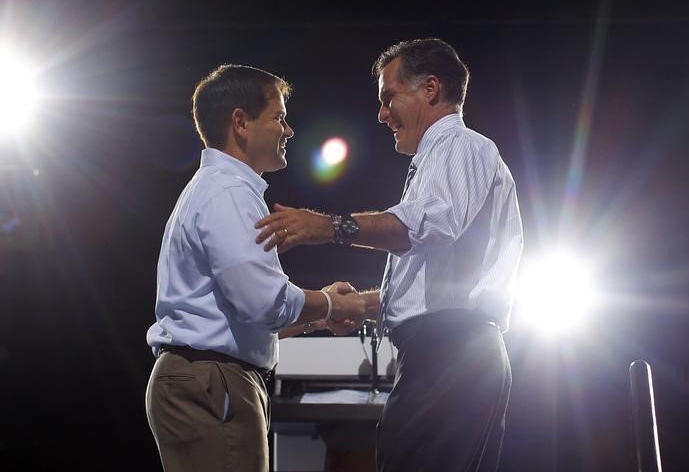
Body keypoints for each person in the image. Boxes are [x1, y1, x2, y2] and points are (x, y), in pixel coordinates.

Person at [254, 39, 523, 472]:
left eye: (388, 97)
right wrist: (354, 305)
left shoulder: (460, 147)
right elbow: (435, 282)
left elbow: (430, 225)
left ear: (430, 89)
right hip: (448, 355)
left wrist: (329, 227)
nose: (382, 114)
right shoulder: (439, 162)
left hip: (451, 355)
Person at [145, 64, 367, 472]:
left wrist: (317, 316)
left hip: (206, 377)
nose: (289, 130)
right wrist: (333, 306)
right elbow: (261, 301)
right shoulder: (229, 192)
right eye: (279, 118)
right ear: (241, 123)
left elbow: (239, 315)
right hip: (214, 379)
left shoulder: (214, 189)